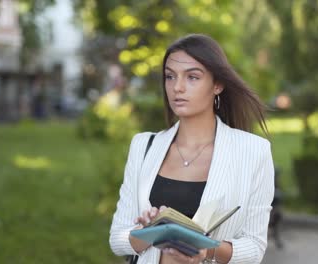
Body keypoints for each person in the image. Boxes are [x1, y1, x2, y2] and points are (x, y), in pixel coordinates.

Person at [109, 33, 274, 264]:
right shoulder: (143, 146)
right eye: (170, 76)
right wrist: (150, 232)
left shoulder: (254, 151)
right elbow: (118, 240)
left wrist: (208, 250)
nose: (177, 87)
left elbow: (255, 248)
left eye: (192, 77)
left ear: (217, 84)